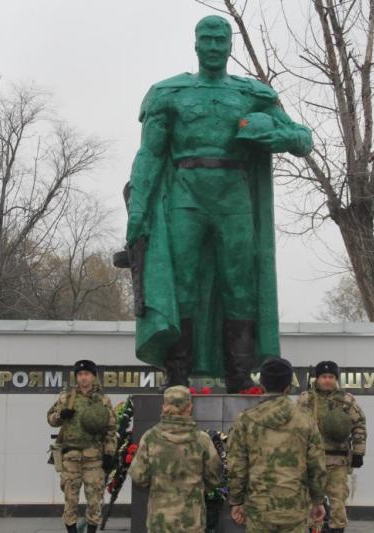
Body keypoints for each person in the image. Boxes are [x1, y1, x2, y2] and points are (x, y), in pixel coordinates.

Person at [124, 15, 313, 392]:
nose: (213, 47)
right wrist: (139, 210)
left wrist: (270, 135)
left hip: (234, 197)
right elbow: (149, 155)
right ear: (196, 44)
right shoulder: (169, 93)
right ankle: (177, 377)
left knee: (239, 286)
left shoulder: (252, 94)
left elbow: (302, 138)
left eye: (219, 40)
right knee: (183, 286)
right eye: (206, 39)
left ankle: (239, 377)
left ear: (230, 46)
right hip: (185, 196)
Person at [227, 358, 327, 532]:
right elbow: (317, 465)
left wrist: (236, 501)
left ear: (262, 384)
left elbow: (237, 465)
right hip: (294, 508)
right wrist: (318, 501)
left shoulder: (246, 420)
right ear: (288, 387)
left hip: (259, 508)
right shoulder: (306, 420)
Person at [128, 385, 222, 532]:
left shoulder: (150, 437)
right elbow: (215, 477)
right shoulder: (202, 439)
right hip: (192, 520)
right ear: (189, 407)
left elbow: (139, 476)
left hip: (159, 520)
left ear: (164, 406)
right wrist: (198, 489)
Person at [47, 360, 117, 533]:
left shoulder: (103, 400)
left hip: (94, 458)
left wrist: (109, 453)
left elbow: (111, 429)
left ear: (93, 376)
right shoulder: (66, 397)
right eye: (80, 374)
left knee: (94, 500)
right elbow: (50, 419)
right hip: (70, 457)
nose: (83, 378)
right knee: (70, 500)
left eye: (87, 374)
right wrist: (60, 415)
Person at [298, 361, 367, 533]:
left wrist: (358, 452)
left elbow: (359, 424)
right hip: (311, 461)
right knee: (309, 502)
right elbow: (295, 426)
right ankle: (313, 529)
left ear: (336, 379)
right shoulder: (306, 399)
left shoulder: (346, 400)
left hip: (337, 460)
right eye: (323, 377)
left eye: (331, 377)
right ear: (317, 378)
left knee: (337, 501)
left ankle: (337, 530)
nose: (327, 380)